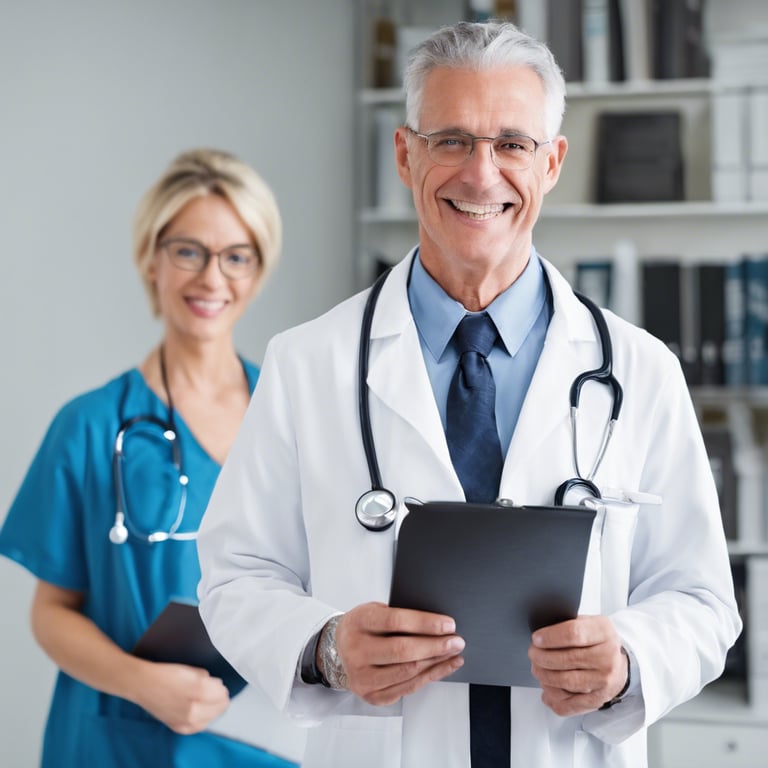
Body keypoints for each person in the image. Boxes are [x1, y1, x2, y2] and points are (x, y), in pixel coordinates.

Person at [196, 22, 741, 768]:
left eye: (511, 144)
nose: (481, 175)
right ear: (404, 153)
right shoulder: (307, 365)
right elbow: (235, 577)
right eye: (451, 139)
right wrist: (325, 648)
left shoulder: (641, 371)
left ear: (551, 162)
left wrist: (628, 661)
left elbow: (702, 599)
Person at [0, 149, 298, 767]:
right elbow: (51, 613)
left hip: (263, 744)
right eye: (189, 250)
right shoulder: (89, 426)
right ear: (151, 258)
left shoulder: (293, 418)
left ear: (258, 271)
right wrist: (142, 682)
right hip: (122, 743)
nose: (212, 279)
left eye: (236, 257)